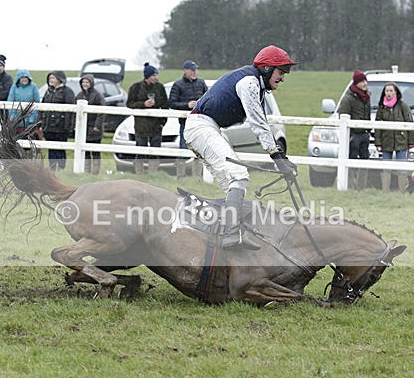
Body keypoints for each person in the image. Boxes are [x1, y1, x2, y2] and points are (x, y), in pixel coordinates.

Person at [183, 45, 298, 250]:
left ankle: (226, 232)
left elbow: (260, 121)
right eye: (281, 72)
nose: (283, 78)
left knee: (232, 185)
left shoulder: (256, 84)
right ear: (266, 69)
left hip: (204, 127)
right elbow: (258, 122)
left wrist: (280, 157)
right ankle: (230, 235)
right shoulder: (249, 82)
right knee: (239, 174)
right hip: (201, 127)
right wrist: (278, 157)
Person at [126, 62, 168, 174]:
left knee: (155, 151)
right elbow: (129, 103)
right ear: (147, 76)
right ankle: (139, 174)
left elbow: (165, 104)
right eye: (153, 75)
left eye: (156, 75)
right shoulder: (135, 87)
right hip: (141, 125)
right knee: (140, 150)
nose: (156, 77)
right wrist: (143, 104)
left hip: (156, 125)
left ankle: (152, 174)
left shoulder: (160, 87)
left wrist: (163, 122)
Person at [169, 59, 208, 177]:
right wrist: (187, 105)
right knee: (182, 149)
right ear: (185, 70)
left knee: (199, 149)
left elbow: (208, 99)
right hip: (185, 123)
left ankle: (198, 176)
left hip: (200, 122)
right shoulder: (178, 85)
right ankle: (181, 175)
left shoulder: (201, 83)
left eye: (195, 69)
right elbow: (172, 103)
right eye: (191, 70)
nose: (194, 72)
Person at [375, 82, 414, 193]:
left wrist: (411, 141)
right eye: (387, 91)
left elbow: (410, 123)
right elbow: (377, 126)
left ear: (395, 92)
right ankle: (385, 192)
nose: (389, 93)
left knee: (401, 168)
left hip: (401, 142)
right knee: (386, 168)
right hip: (386, 142)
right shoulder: (381, 107)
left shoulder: (402, 105)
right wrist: (378, 143)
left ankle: (402, 192)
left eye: (391, 91)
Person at [338, 69, 372, 190]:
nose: (365, 84)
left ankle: (361, 186)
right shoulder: (348, 98)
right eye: (362, 81)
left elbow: (367, 115)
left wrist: (368, 130)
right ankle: (350, 185)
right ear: (356, 83)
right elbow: (342, 115)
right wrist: (349, 135)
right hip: (354, 135)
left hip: (364, 134)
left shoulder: (367, 96)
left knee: (365, 160)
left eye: (365, 81)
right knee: (351, 160)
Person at [38, 70, 75, 170]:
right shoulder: (48, 92)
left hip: (61, 126)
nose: (51, 80)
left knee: (60, 148)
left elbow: (70, 110)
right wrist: (40, 122)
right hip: (48, 126)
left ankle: (61, 168)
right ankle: (52, 167)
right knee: (51, 148)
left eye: (53, 78)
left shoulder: (67, 92)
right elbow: (42, 107)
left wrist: (68, 126)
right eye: (50, 78)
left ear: (59, 79)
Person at [75, 73, 106, 175]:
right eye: (83, 82)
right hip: (83, 128)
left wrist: (97, 126)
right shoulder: (79, 95)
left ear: (91, 83)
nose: (85, 84)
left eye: (87, 82)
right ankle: (86, 171)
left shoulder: (97, 95)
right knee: (85, 152)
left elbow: (101, 112)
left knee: (95, 151)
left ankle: (95, 172)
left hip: (94, 128)